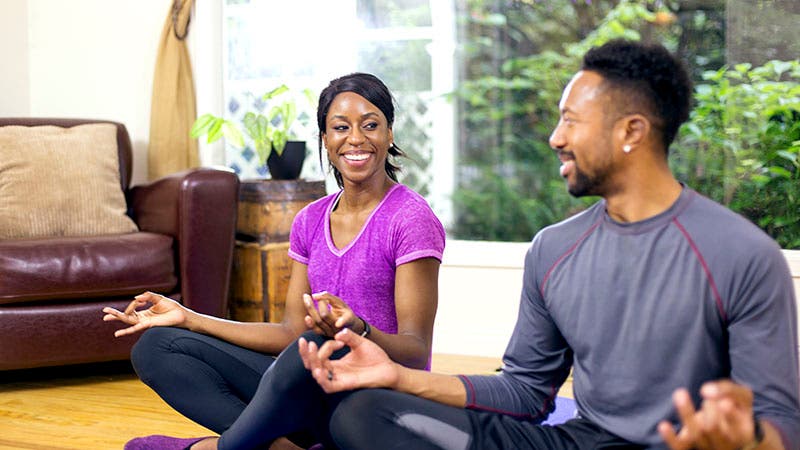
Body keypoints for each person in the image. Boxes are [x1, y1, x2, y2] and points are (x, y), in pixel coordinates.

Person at [298, 40, 800, 450]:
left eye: (571, 121)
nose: (556, 138)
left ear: (631, 131)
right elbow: (525, 392)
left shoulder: (742, 254)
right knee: (364, 413)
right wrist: (395, 377)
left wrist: (750, 441)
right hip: (581, 441)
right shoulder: (554, 249)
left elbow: (783, 422)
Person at [102, 72, 446, 450]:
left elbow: (415, 352)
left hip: (374, 401)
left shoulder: (409, 218)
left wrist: (358, 329)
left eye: (370, 125)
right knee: (156, 347)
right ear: (325, 139)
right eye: (340, 127)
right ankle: (279, 447)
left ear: (389, 134)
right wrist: (188, 318)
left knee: (311, 347)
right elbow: (288, 332)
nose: (355, 138)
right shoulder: (310, 220)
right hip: (308, 387)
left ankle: (231, 446)